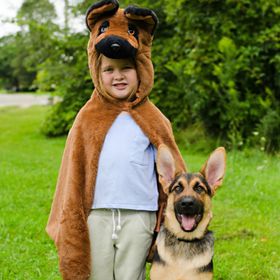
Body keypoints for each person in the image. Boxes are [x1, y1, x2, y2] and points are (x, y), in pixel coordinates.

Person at [46, 1, 186, 279]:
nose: (118, 76)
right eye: (109, 70)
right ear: (97, 72)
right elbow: (72, 172)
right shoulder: (87, 117)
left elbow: (174, 170)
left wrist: (172, 215)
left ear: (140, 69)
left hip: (140, 215)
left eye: (126, 68)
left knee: (130, 275)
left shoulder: (154, 118)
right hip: (97, 213)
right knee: (98, 274)